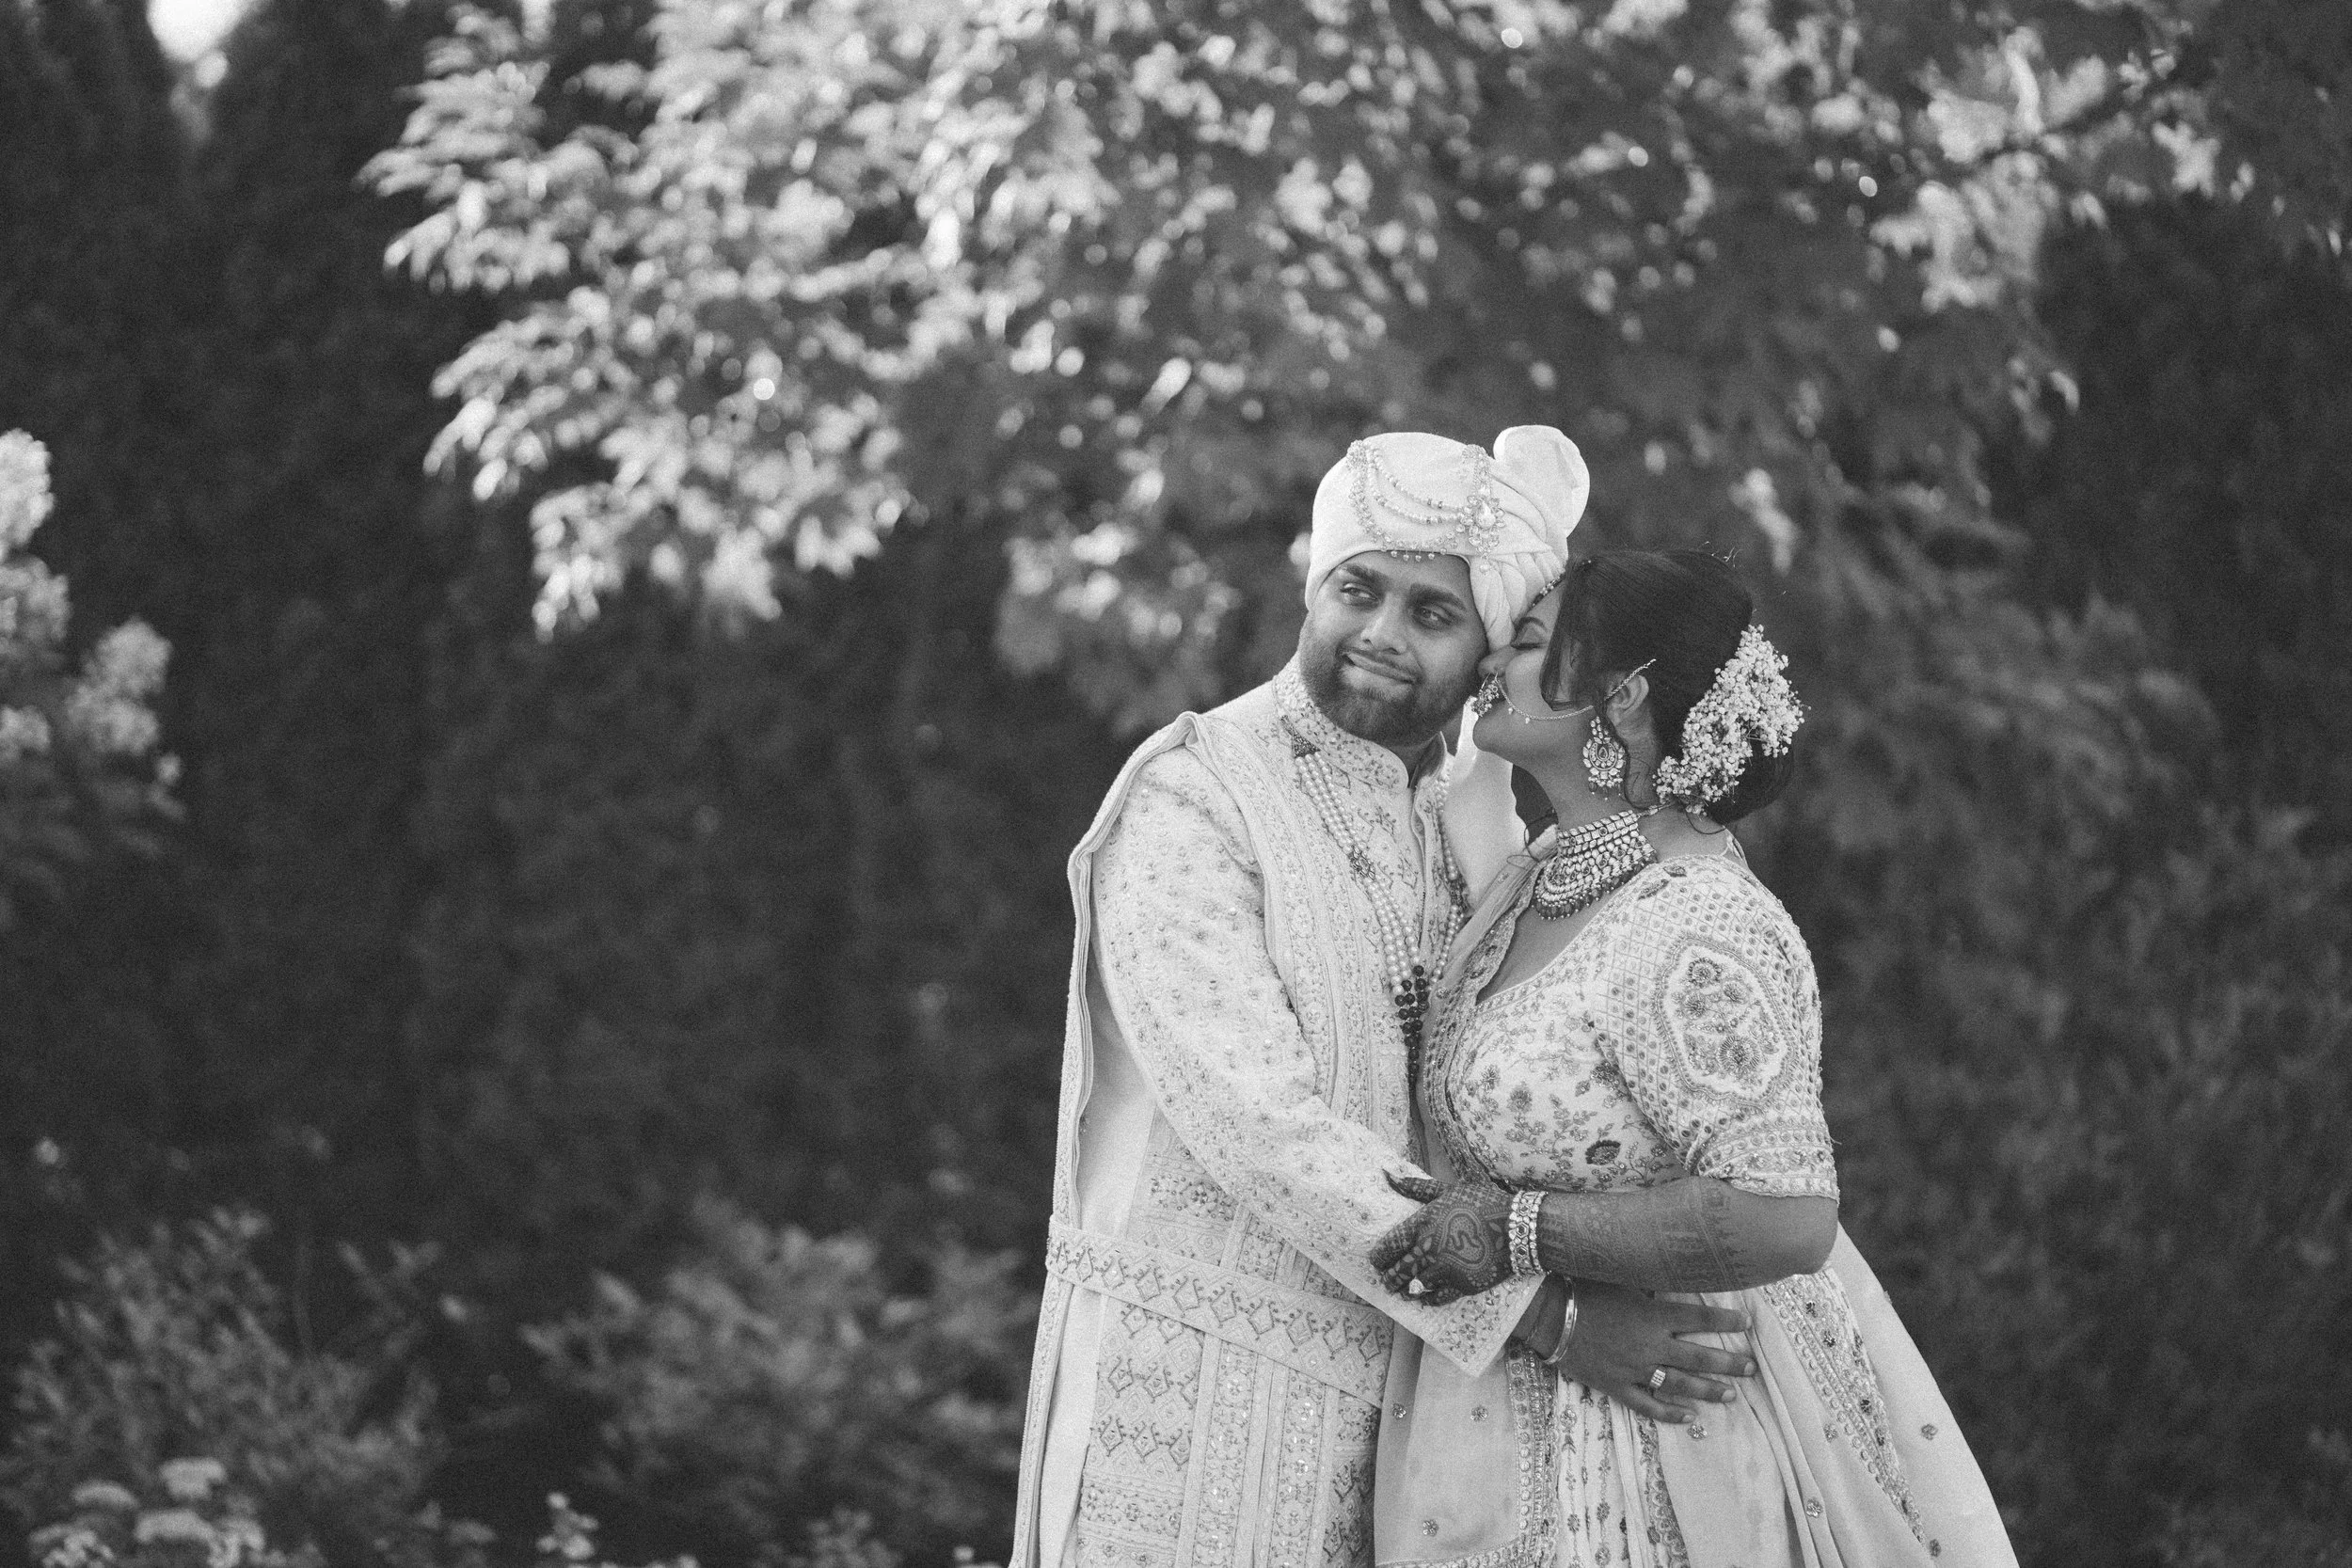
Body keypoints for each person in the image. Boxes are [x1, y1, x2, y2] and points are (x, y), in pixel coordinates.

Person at [1011, 440, 1759, 1568]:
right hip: (1184, 1402)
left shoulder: (1474, 829)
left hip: (1411, 1423)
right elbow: (1255, 1121)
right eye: (1357, 590)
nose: (1381, 633)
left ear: (1486, 654)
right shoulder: (1193, 795)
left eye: (1433, 613)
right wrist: (1549, 1318)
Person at [1363, 550, 2017, 1567]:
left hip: (1664, 1450)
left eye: (1531, 642)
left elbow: (1783, 1213)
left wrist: (1519, 1231)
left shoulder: (1695, 920)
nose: (1493, 653)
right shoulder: (1538, 878)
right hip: (1495, 1433)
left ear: (1620, 701)